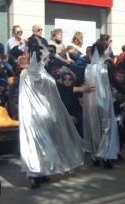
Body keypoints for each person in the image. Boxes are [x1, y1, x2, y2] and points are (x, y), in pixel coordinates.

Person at [18, 45, 89, 188]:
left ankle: (37, 173)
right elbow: (60, 89)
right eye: (45, 58)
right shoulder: (45, 76)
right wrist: (81, 89)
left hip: (30, 114)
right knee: (45, 144)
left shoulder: (25, 74)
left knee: (32, 144)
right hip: (44, 114)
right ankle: (40, 173)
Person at [83, 40, 120, 169]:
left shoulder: (88, 68)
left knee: (94, 127)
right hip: (104, 101)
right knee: (106, 129)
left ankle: (95, 156)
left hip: (91, 102)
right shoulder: (104, 68)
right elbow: (114, 81)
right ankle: (105, 157)